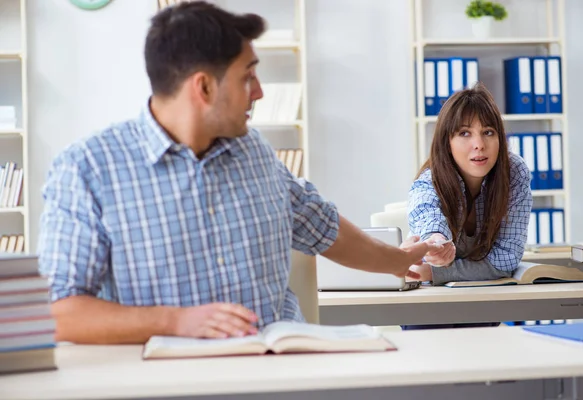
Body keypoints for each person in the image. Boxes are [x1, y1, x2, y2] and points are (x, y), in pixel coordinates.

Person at [37, 1, 435, 344]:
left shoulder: (253, 150)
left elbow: (320, 225)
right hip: (168, 383)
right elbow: (61, 311)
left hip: (278, 373)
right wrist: (176, 321)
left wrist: (399, 261)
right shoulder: (87, 170)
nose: (259, 91)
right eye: (248, 76)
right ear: (204, 88)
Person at [401, 82, 533, 330]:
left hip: (480, 301)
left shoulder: (513, 172)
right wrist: (436, 243)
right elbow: (427, 214)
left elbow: (506, 260)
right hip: (427, 306)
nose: (479, 145)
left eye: (488, 132)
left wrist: (438, 272)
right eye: (464, 133)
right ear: (446, 142)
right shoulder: (430, 180)